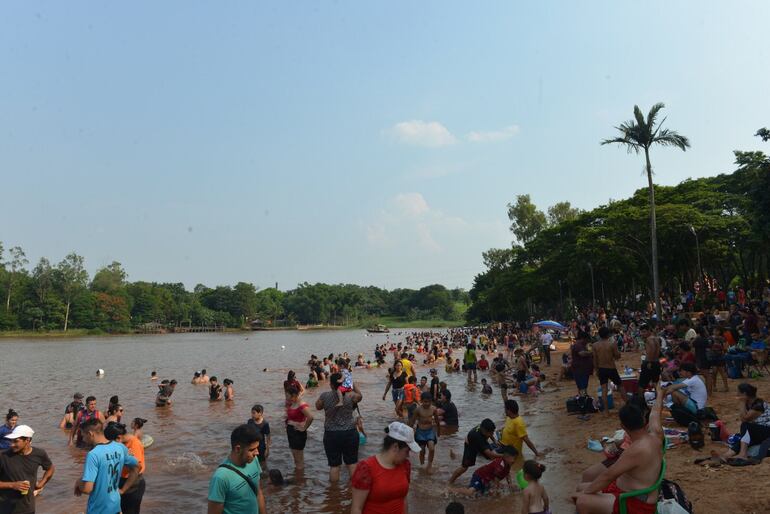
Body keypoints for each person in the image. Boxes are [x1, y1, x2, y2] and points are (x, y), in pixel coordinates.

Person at [572, 382, 664, 514]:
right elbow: (655, 412)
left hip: (636, 502)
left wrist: (585, 494)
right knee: (581, 488)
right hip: (634, 493)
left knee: (582, 501)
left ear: (623, 427)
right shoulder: (656, 435)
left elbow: (608, 476)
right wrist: (660, 394)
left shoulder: (635, 449)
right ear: (645, 421)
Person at [74, 418, 139, 514]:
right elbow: (136, 467)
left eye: (83, 435)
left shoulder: (93, 454)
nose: (83, 439)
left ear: (90, 434)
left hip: (98, 509)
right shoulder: (120, 447)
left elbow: (87, 489)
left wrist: (78, 483)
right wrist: (123, 490)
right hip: (115, 506)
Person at [350, 422, 418, 514]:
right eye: (407, 451)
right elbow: (356, 508)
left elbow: (403, 499)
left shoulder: (405, 465)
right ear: (395, 447)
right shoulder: (366, 468)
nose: (408, 455)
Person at [207, 424, 266, 514]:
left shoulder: (253, 460)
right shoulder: (220, 477)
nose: (257, 453)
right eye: (252, 449)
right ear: (238, 449)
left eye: (257, 448)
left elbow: (258, 493)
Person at [315, 372, 363, 482]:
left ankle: (334, 493)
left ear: (331, 384)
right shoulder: (351, 396)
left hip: (331, 434)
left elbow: (317, 407)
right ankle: (355, 489)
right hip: (350, 432)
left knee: (334, 466)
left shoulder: (324, 396)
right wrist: (352, 383)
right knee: (352, 463)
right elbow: (360, 396)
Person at [0, 424, 55, 513]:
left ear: (27, 440)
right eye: (11, 441)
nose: (11, 444)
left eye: (16, 441)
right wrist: (13, 485)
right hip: (6, 509)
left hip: (28, 508)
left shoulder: (39, 454)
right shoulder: (3, 456)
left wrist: (41, 483)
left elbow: (50, 468)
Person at [718, 382, 770, 462]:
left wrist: (742, 402)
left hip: (767, 431)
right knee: (743, 439)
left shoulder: (758, 405)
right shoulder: (750, 403)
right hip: (760, 430)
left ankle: (743, 454)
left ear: (744, 394)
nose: (737, 394)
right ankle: (727, 455)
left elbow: (745, 419)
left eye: (738, 393)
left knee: (745, 426)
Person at [104, 422, 146, 514]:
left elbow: (135, 470)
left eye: (111, 442)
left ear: (118, 438)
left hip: (133, 484)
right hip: (122, 481)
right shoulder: (122, 444)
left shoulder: (134, 444)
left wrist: (123, 490)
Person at [448, 419, 502, 484]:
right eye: (491, 432)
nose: (492, 434)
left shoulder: (484, 426)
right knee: (464, 467)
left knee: (493, 458)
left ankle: (494, 477)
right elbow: (490, 454)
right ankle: (450, 482)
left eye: (493, 432)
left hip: (479, 441)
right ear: (484, 430)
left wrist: (495, 441)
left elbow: (490, 433)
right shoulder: (478, 437)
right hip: (471, 446)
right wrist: (504, 455)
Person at [451, 445, 517, 497]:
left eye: (516, 458)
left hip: (487, 479)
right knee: (470, 492)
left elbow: (507, 473)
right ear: (506, 457)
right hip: (479, 476)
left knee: (481, 494)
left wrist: (510, 484)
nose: (514, 461)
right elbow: (496, 481)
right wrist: (495, 494)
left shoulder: (508, 463)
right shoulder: (500, 465)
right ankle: (450, 490)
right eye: (513, 458)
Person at [501, 400, 541, 472]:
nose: (504, 411)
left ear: (509, 410)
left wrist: (536, 453)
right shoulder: (509, 418)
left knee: (514, 470)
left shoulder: (519, 423)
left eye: (505, 409)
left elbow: (526, 439)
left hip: (513, 453)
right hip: (504, 448)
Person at [593, 327, 626, 414]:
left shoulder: (595, 345)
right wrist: (617, 354)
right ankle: (628, 404)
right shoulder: (612, 343)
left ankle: (606, 411)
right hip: (611, 368)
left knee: (604, 389)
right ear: (608, 335)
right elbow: (617, 356)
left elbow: (595, 360)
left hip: (601, 369)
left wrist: (596, 370)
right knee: (620, 386)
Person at [409, 392, 440, 473]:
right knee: (422, 450)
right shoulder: (418, 410)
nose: (427, 403)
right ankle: (422, 465)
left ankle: (429, 465)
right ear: (421, 401)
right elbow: (412, 422)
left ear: (431, 401)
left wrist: (439, 431)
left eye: (429, 401)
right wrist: (409, 432)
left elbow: (437, 420)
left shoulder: (433, 409)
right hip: (420, 432)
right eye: (425, 402)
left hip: (430, 431)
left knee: (432, 448)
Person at [285, 386, 313, 471]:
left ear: (293, 395)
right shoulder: (293, 403)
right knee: (296, 458)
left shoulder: (301, 405)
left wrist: (304, 428)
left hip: (297, 433)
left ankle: (300, 479)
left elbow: (311, 417)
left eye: (288, 396)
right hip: (292, 432)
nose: (287, 397)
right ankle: (299, 477)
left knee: (298, 459)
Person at [638, 324, 661, 390]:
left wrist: (649, 362)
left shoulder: (649, 339)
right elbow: (658, 351)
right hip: (656, 362)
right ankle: (657, 398)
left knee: (641, 384)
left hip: (649, 362)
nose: (642, 333)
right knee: (655, 383)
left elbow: (653, 349)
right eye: (641, 332)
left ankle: (640, 400)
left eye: (644, 331)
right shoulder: (656, 338)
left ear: (649, 331)